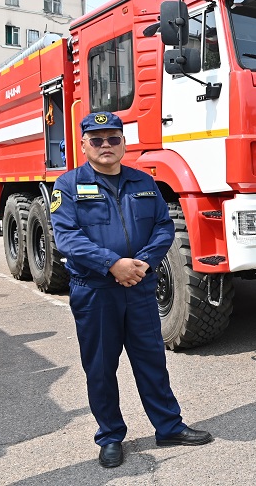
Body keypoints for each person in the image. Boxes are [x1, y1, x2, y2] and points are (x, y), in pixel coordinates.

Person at [51, 112, 213, 468]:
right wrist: (113, 264)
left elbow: (163, 226)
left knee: (151, 361)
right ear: (83, 145)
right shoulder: (68, 186)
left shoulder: (143, 181)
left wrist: (140, 263)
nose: (106, 146)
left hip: (139, 287)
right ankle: (110, 436)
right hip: (95, 292)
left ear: (124, 142)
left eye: (113, 139)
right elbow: (67, 238)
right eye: (97, 140)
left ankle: (168, 426)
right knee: (100, 367)